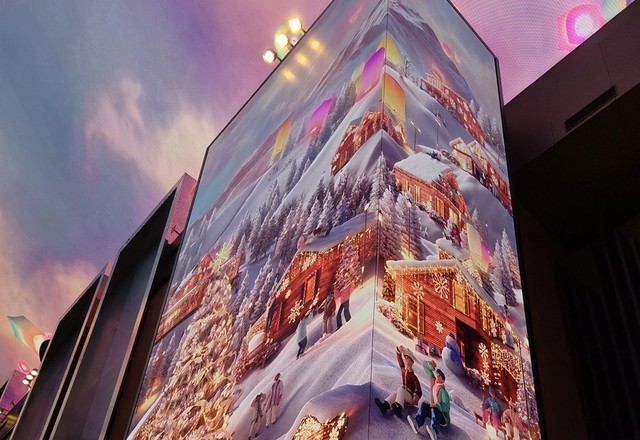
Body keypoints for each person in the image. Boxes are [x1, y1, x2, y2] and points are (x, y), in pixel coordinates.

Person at [375, 345, 422, 418]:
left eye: (408, 359)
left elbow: (418, 388)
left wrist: (416, 395)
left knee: (400, 390)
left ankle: (399, 408)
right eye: (405, 358)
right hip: (404, 395)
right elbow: (400, 362)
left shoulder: (413, 376)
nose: (406, 360)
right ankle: (385, 406)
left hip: (410, 397)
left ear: (412, 362)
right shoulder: (404, 370)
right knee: (396, 393)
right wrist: (398, 351)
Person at [407, 369, 450, 440]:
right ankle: (417, 423)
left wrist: (437, 405)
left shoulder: (443, 391)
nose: (437, 376)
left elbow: (447, 408)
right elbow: (429, 372)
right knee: (424, 404)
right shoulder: (435, 387)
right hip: (436, 412)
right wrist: (431, 404)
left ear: (442, 380)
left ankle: (434, 431)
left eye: (439, 376)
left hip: (443, 419)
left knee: (434, 408)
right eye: (437, 375)